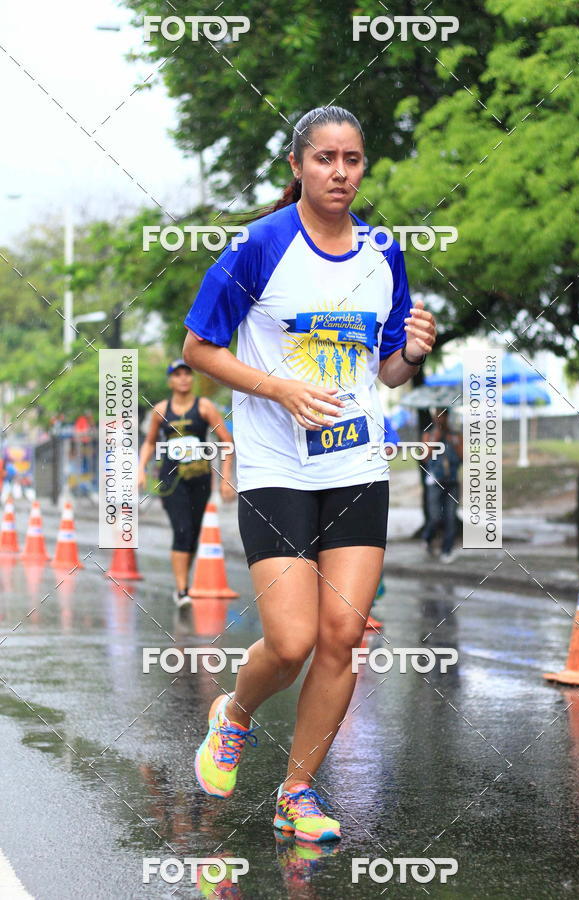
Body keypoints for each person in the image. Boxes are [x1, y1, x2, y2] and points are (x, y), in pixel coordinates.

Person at [182, 106, 437, 840]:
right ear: (297, 165)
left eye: (352, 159)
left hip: (356, 462)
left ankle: (297, 792)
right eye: (324, 158)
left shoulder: (383, 252)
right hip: (273, 466)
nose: (340, 173)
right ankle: (232, 716)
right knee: (290, 642)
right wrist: (281, 389)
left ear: (363, 166)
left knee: (342, 636)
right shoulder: (259, 246)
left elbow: (386, 372)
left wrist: (414, 351)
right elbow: (200, 348)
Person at [137, 359, 236, 606]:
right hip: (171, 480)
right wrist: (140, 469)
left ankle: (185, 583)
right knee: (181, 529)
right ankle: (182, 590)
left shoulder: (204, 408)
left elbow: (226, 441)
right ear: (170, 380)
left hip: (200, 478)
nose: (183, 378)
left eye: (187, 374)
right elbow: (150, 442)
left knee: (192, 534)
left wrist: (226, 479)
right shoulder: (161, 410)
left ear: (191, 379)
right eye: (177, 374)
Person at [422, 409, 463, 563]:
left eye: (443, 415)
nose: (440, 419)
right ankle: (428, 538)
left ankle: (447, 550)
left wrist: (454, 442)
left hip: (451, 481)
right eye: (437, 416)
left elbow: (462, 456)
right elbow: (424, 457)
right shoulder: (429, 435)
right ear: (434, 418)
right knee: (434, 516)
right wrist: (435, 440)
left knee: (450, 517)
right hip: (435, 481)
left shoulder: (455, 435)